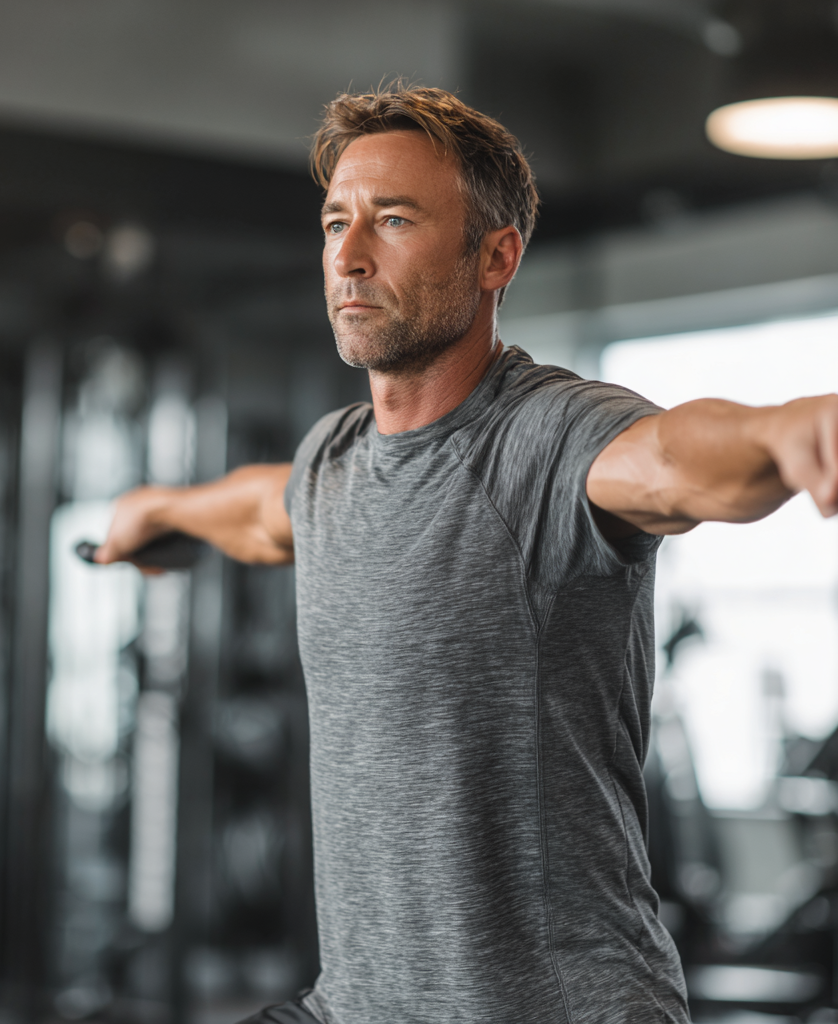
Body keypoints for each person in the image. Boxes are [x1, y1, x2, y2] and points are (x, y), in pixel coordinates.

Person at [95, 86, 838, 1024]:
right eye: (336, 223)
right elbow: (261, 512)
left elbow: (674, 462)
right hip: (357, 1006)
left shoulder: (543, 439)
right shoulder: (336, 459)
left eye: (394, 220)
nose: (350, 257)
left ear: (497, 256)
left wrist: (784, 431)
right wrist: (156, 510)